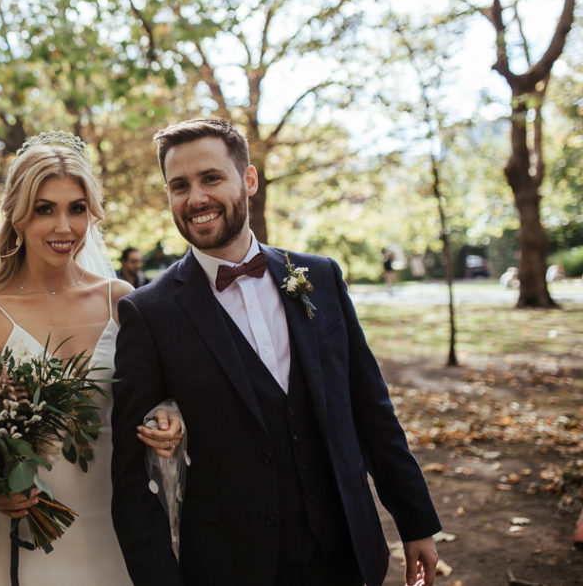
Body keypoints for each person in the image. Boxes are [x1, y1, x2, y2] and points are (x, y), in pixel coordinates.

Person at [111, 118, 441, 586]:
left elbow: (371, 409)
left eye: (211, 178)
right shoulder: (149, 312)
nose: (195, 198)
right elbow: (129, 480)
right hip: (229, 566)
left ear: (248, 180)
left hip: (343, 552)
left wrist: (416, 520)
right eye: (178, 185)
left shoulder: (320, 277)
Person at [0, 132, 181, 585]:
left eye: (77, 208)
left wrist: (170, 418)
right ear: (18, 215)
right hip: (28, 531)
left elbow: (160, 397)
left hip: (116, 522)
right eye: (45, 209)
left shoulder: (121, 299)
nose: (64, 227)